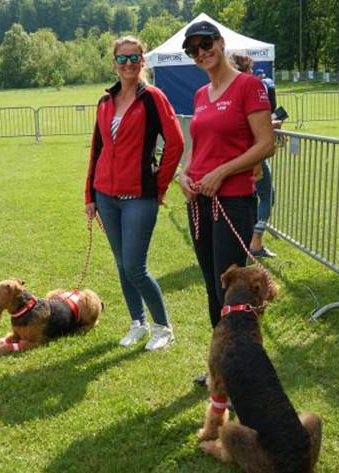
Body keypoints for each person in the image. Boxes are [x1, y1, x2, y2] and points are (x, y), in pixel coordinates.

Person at [85, 36, 185, 351]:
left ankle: (163, 327)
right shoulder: (104, 102)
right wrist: (89, 194)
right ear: (114, 62)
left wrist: (159, 184)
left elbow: (176, 143)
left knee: (135, 267)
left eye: (134, 58)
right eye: (122, 58)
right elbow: (97, 149)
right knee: (121, 264)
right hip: (106, 196)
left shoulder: (153, 98)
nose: (128, 64)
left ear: (142, 61)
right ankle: (138, 323)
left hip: (139, 196)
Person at [179, 22, 275, 335]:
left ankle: (240, 361)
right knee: (212, 283)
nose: (201, 53)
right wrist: (184, 174)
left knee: (230, 288)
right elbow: (199, 147)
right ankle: (220, 362)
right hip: (199, 202)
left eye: (205, 44)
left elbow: (266, 144)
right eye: (193, 50)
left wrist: (221, 172)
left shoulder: (249, 86)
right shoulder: (199, 94)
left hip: (232, 201)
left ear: (220, 43)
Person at [231, 54, 277, 258]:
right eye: (249, 70)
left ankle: (243, 241)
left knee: (244, 199)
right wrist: (271, 125)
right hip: (251, 157)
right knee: (266, 196)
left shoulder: (225, 91)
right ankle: (255, 242)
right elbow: (252, 125)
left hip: (235, 157)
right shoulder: (247, 90)